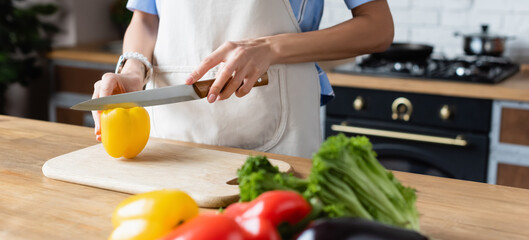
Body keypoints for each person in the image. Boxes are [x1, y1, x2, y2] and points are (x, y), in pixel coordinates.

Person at [92, 0, 394, 158]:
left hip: (280, 134)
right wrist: (132, 71)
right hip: (173, 133)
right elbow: (145, 18)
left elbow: (378, 27)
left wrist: (270, 48)